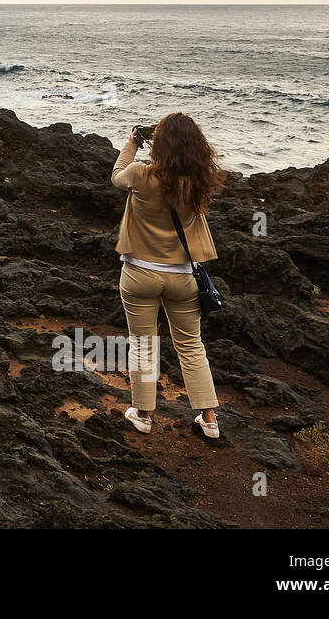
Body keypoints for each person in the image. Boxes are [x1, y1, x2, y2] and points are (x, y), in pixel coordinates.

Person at [111, 113, 225, 439]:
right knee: (191, 346)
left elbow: (117, 176)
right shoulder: (199, 182)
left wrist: (132, 143)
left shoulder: (140, 175)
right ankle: (209, 419)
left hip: (138, 275)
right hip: (182, 278)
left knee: (144, 344)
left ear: (158, 143)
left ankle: (144, 415)